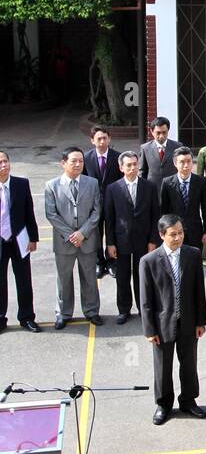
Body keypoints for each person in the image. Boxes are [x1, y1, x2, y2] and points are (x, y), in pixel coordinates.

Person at [140, 215, 206, 425]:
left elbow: (199, 290)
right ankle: (164, 404)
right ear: (162, 235)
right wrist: (149, 330)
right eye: (173, 234)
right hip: (162, 325)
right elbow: (146, 300)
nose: (178, 238)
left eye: (180, 233)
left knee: (189, 364)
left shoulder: (192, 255)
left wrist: (200, 321)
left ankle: (188, 400)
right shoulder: (149, 261)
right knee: (163, 367)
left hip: (188, 322)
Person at [44, 146, 102, 329]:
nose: (78, 165)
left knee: (90, 279)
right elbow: (51, 214)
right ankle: (63, 313)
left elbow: (96, 211)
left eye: (81, 161)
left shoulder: (92, 183)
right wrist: (71, 235)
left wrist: (82, 233)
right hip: (64, 242)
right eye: (73, 161)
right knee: (64, 279)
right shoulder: (52, 186)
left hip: (87, 240)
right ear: (63, 163)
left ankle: (92, 311)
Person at [104, 151, 159, 324]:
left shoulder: (149, 186)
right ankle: (124, 309)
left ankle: (144, 308)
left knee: (142, 276)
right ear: (121, 168)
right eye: (128, 165)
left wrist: (153, 240)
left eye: (135, 164)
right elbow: (109, 218)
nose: (133, 168)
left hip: (143, 240)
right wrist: (110, 243)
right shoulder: (113, 189)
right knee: (122, 276)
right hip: (121, 241)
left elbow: (154, 215)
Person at [0, 148, 40, 334]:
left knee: (24, 280)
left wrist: (33, 238)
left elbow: (29, 213)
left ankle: (27, 317)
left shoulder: (21, 184)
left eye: (5, 161)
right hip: (0, 240)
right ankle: (1, 318)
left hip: (19, 240)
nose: (3, 166)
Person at [84, 125, 121, 277]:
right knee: (96, 233)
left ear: (109, 139)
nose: (102, 141)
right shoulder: (86, 158)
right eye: (98, 139)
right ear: (92, 140)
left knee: (112, 231)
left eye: (104, 138)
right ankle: (99, 261)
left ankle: (112, 261)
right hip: (94, 203)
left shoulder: (117, 157)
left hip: (113, 202)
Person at [160, 146, 206, 250]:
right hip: (174, 232)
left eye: (189, 161)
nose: (186, 165)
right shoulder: (167, 183)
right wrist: (164, 231)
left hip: (195, 231)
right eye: (182, 162)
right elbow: (163, 210)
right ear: (175, 164)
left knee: (194, 262)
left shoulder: (200, 182)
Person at [139, 117, 181, 189]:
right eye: (158, 133)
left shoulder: (177, 146)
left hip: (173, 187)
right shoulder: (145, 148)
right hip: (152, 188)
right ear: (152, 132)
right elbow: (142, 172)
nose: (161, 136)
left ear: (168, 131)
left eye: (164, 132)